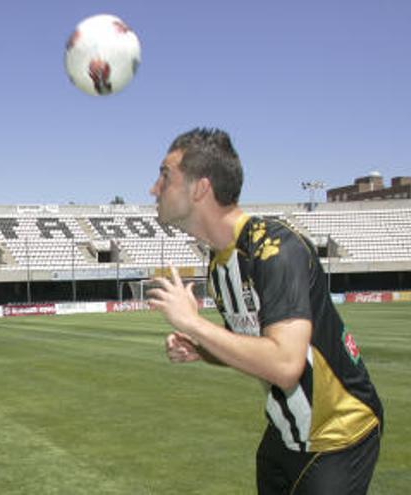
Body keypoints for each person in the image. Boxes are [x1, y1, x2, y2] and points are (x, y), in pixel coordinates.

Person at [146, 128, 383, 494]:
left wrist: (193, 323)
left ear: (199, 188)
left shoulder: (275, 248)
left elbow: (285, 366)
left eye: (165, 175)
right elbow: (251, 347)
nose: (154, 189)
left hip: (338, 436)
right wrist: (201, 346)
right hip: (283, 433)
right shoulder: (219, 263)